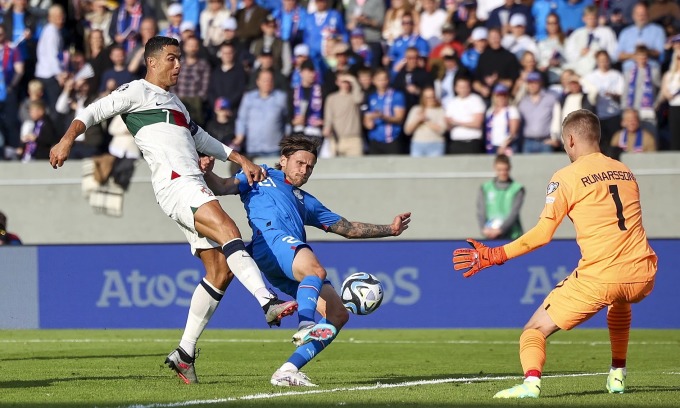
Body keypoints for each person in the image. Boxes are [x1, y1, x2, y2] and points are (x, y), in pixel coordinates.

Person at [47, 36, 298, 384]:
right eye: (171, 58)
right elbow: (93, 112)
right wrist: (65, 139)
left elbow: (203, 138)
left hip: (191, 182)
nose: (178, 65)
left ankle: (184, 353)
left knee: (220, 271)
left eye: (179, 59)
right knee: (229, 230)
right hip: (177, 184)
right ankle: (267, 300)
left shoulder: (178, 104)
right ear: (152, 61)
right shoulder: (136, 91)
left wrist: (239, 158)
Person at [453, 109, 657, 399]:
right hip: (643, 272)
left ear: (571, 140)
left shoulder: (566, 176)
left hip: (600, 277)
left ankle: (530, 384)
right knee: (620, 302)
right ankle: (617, 375)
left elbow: (541, 235)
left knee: (533, 330)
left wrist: (494, 256)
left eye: (564, 143)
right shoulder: (625, 171)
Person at [201, 135, 411, 386]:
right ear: (283, 160)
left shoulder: (306, 201)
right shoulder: (261, 175)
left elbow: (348, 228)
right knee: (316, 270)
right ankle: (305, 325)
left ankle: (287, 371)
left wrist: (391, 229)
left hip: (285, 261)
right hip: (271, 243)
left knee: (338, 314)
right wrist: (207, 174)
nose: (305, 170)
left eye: (310, 166)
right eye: (300, 163)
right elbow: (223, 187)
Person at [477, 154, 524, 240]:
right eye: (499, 170)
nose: (502, 173)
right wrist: (484, 229)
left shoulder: (517, 188)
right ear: (494, 168)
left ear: (510, 168)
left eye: (505, 170)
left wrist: (500, 230)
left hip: (512, 236)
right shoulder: (485, 188)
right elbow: (481, 211)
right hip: (490, 235)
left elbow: (514, 213)